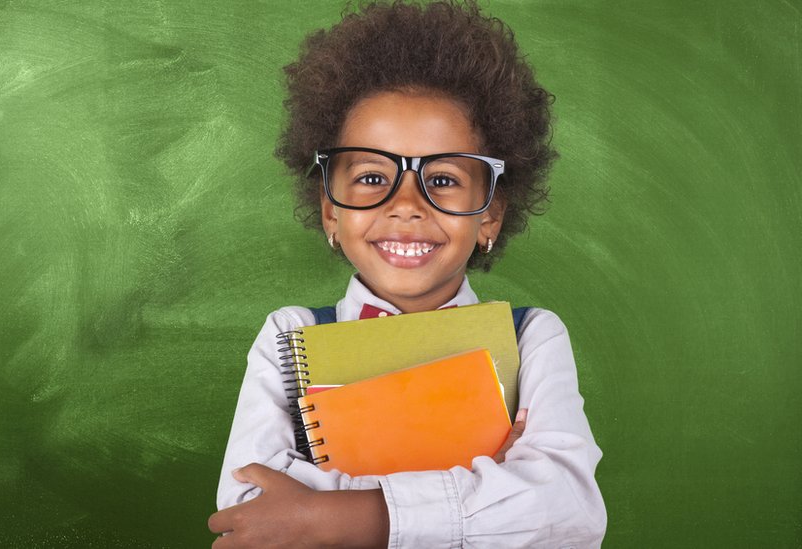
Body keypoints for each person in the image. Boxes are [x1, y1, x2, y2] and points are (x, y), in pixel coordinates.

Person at [208, 1, 606, 547]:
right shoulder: (288, 334)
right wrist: (494, 488)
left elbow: (569, 514)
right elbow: (251, 514)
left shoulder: (534, 337)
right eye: (372, 177)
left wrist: (329, 515)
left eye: (442, 180)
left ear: (490, 212)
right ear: (331, 209)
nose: (406, 205)